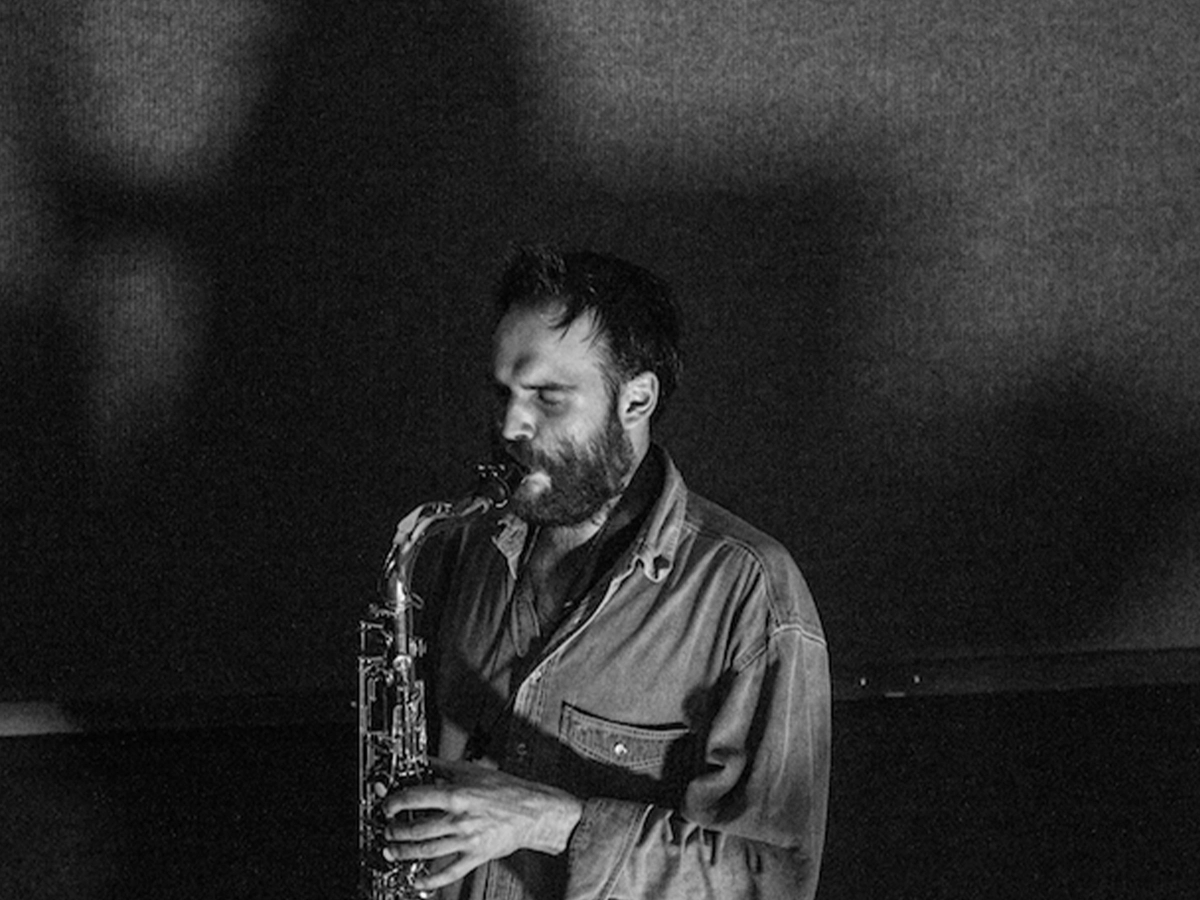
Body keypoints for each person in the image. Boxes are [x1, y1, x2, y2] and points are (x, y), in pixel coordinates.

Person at [382, 245, 831, 899]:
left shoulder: (749, 592)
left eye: (548, 397)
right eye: (504, 393)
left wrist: (555, 823)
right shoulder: (460, 548)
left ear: (636, 400)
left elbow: (776, 883)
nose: (510, 425)